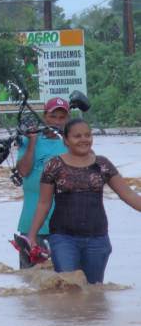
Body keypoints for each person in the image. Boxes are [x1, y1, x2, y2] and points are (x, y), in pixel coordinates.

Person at [27, 118, 141, 284]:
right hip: (63, 238)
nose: (83, 140)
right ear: (65, 140)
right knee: (68, 286)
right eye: (77, 136)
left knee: (93, 290)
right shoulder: (54, 165)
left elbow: (128, 195)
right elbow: (44, 203)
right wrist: (31, 236)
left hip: (97, 239)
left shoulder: (102, 164)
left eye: (87, 135)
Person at [15, 97, 71, 268]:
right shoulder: (30, 139)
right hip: (31, 224)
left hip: (63, 226)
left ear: (68, 120)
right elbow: (23, 171)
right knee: (29, 280)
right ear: (45, 117)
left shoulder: (71, 143)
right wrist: (32, 142)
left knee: (64, 279)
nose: (57, 121)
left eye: (62, 118)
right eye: (53, 117)